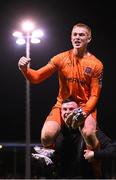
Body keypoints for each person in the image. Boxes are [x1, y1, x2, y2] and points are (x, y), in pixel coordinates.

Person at [18, 23, 103, 161]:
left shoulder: (96, 64)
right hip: (62, 105)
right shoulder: (60, 58)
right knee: (46, 136)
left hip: (84, 105)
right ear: (71, 38)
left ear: (89, 39)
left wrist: (84, 111)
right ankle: (51, 159)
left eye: (81, 34)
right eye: (74, 34)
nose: (77, 37)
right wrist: (24, 70)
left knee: (88, 134)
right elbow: (37, 77)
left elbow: (94, 95)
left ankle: (96, 164)